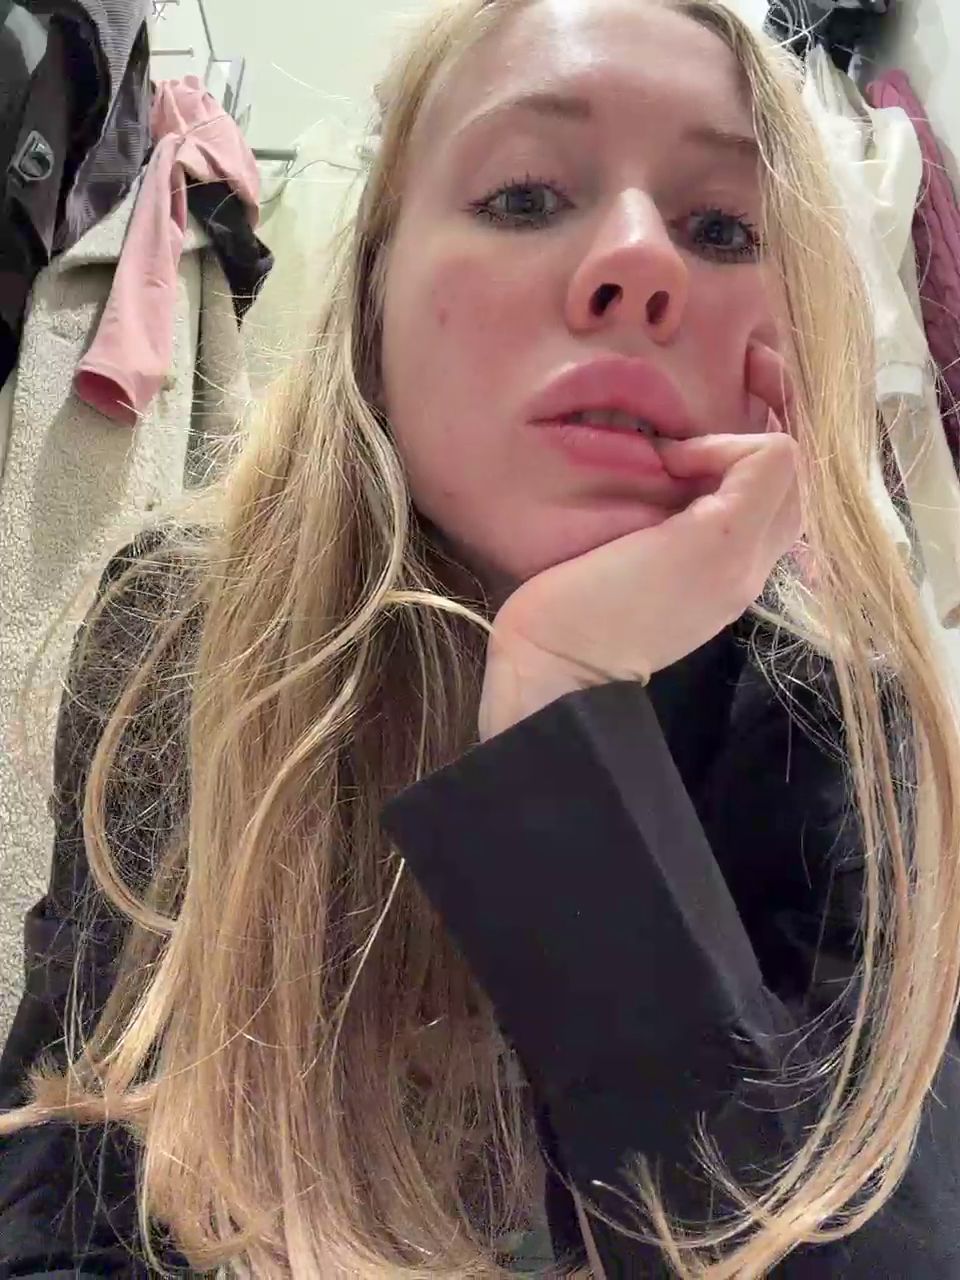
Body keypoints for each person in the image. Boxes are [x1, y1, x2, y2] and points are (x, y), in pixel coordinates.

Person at [1, 0, 959, 1274]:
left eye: (723, 227)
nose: (640, 260)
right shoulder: (183, 627)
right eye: (523, 197)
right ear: (372, 298)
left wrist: (565, 713)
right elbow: (65, 1176)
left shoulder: (845, 719)